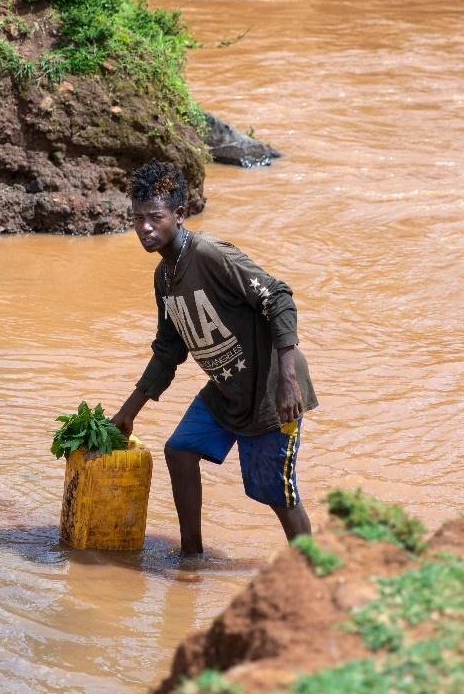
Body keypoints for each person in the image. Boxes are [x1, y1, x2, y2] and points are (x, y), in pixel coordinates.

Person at [111, 161, 318, 555]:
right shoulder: (164, 277)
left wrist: (288, 380)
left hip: (271, 389)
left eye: (155, 217)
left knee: (277, 492)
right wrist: (128, 412)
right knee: (180, 450)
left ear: (179, 215)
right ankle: (191, 556)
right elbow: (169, 351)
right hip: (226, 391)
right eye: (137, 219)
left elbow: (278, 297)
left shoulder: (209, 254)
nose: (145, 228)